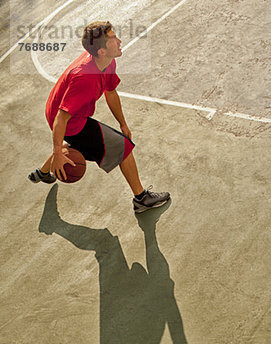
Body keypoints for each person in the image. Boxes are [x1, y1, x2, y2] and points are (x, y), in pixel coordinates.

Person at [28, 21, 170, 214]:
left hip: (62, 109)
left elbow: (110, 92)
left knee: (86, 143)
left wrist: (123, 124)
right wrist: (58, 151)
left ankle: (44, 172)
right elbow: (61, 119)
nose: (119, 41)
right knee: (122, 146)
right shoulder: (85, 77)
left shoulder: (107, 61)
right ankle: (141, 199)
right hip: (67, 120)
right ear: (101, 51)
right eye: (113, 39)